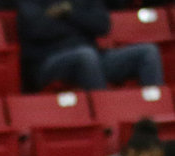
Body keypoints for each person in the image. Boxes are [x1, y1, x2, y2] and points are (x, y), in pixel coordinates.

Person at [16, 0, 163, 93]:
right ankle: (107, 118)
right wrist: (81, 24)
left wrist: (69, 13)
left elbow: (103, 25)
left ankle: (154, 124)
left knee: (148, 52)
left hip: (93, 56)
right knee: (85, 55)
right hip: (48, 61)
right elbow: (35, 29)